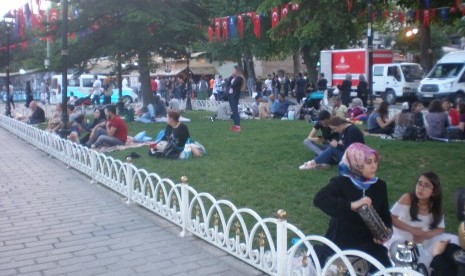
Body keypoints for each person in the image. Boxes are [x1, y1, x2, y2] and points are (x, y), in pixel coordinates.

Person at [313, 143, 392, 267]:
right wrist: (351, 205)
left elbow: (385, 212)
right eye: (368, 162)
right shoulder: (341, 182)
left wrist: (386, 230)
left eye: (375, 161)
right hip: (342, 239)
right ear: (356, 163)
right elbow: (320, 199)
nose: (373, 166)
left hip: (369, 241)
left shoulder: (380, 185)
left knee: (382, 268)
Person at [387, 171, 458, 267]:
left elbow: (440, 228)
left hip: (422, 241)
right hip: (401, 239)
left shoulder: (435, 207)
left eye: (426, 185)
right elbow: (391, 218)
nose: (421, 188)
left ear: (434, 192)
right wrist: (414, 230)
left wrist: (426, 235)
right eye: (419, 183)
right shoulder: (408, 198)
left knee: (453, 242)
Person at [299, 116, 365, 170]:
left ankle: (311, 164)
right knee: (328, 149)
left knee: (331, 149)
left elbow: (351, 151)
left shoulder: (352, 131)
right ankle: (324, 163)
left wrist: (337, 145)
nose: (334, 131)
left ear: (340, 125)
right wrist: (337, 144)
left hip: (354, 160)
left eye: (334, 129)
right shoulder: (343, 130)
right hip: (346, 155)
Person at [228, 66, 244, 133]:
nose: (232, 71)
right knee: (233, 111)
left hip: (234, 96)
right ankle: (235, 125)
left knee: (235, 111)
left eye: (233, 70)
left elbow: (233, 85)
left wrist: (232, 80)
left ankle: (238, 126)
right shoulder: (233, 78)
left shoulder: (239, 78)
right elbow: (228, 83)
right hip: (230, 95)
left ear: (237, 71)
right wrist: (231, 77)